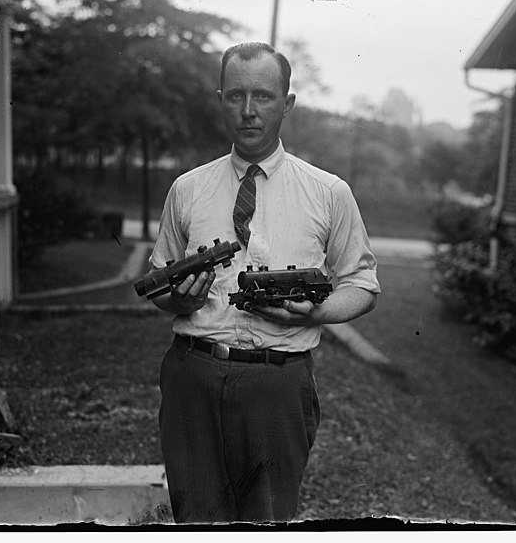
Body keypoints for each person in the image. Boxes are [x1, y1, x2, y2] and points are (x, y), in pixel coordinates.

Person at [150, 41, 380, 524]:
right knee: (195, 518)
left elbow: (362, 284)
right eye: (235, 96)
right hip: (194, 375)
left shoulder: (328, 192)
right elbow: (162, 287)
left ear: (288, 104)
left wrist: (317, 312)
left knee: (268, 521)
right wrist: (179, 300)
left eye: (263, 96)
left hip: (278, 384)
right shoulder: (187, 189)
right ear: (220, 100)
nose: (249, 111)